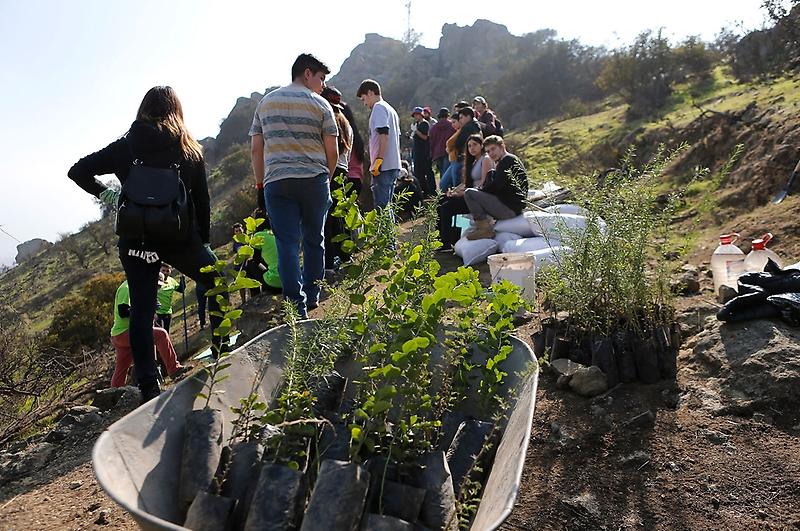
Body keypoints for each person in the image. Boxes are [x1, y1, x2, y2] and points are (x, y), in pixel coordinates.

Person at [68, 85, 222, 403]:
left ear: (143, 111)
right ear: (177, 111)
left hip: (136, 239)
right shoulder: (189, 149)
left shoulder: (128, 146)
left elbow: (78, 171)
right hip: (179, 239)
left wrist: (108, 194)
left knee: (141, 310)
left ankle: (149, 387)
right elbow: (202, 202)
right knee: (216, 281)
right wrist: (203, 245)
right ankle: (222, 353)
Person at [250, 53, 338, 318]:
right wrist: (327, 176)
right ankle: (312, 296)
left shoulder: (265, 103)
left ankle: (295, 307)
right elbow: (332, 151)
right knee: (315, 238)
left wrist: (260, 184)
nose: (322, 85)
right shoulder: (321, 104)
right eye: (321, 78)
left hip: (277, 181)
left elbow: (256, 148)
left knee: (286, 243)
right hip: (314, 179)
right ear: (308, 73)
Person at [109, 280, 186, 388]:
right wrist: (147, 309)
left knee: (121, 368)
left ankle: (113, 394)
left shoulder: (137, 286)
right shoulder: (127, 288)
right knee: (161, 335)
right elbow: (123, 311)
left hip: (122, 334)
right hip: (125, 332)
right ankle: (174, 369)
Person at [464, 135, 529, 240]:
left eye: (493, 149)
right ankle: (484, 225)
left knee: (469, 193)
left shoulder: (508, 160)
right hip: (508, 205)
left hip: (510, 208)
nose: (491, 153)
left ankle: (484, 229)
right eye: (488, 151)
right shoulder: (503, 162)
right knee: (490, 174)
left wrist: (479, 190)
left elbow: (495, 187)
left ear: (502, 146)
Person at [436, 134, 493, 251]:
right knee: (440, 201)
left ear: (482, 145)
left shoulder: (485, 159)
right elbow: (467, 183)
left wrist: (463, 193)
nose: (472, 148)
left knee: (447, 208)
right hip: (469, 195)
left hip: (478, 199)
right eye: (469, 146)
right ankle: (442, 238)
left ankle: (447, 242)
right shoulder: (473, 162)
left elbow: (484, 185)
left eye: (475, 145)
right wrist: (454, 190)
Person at [321, 86, 355, 270]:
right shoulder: (346, 123)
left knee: (327, 217)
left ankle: (328, 261)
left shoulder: (327, 121)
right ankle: (345, 255)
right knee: (339, 215)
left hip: (329, 170)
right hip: (343, 170)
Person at [356, 79, 401, 210]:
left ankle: (385, 231)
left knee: (381, 208)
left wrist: (378, 160)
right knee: (388, 207)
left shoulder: (379, 107)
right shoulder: (390, 109)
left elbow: (383, 134)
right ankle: (390, 231)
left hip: (383, 166)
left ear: (370, 92)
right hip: (393, 164)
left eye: (364, 99)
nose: (364, 103)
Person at [440, 107, 482, 192]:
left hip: (459, 158)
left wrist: (452, 147)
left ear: (468, 116)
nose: (460, 120)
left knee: (453, 184)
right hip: (460, 158)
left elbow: (459, 142)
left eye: (461, 118)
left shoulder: (468, 127)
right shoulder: (474, 126)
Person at [411, 106, 435, 197]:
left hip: (424, 153)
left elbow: (425, 137)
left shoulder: (424, 124)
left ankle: (431, 191)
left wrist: (416, 131)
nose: (416, 117)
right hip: (417, 152)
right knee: (418, 173)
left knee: (427, 172)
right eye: (414, 115)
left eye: (417, 115)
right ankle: (423, 191)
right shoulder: (417, 125)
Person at [155, 263, 185, 332]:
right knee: (160, 333)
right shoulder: (155, 280)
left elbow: (181, 289)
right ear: (159, 270)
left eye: (167, 271)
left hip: (167, 312)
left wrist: (182, 277)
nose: (165, 273)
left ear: (170, 271)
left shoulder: (172, 281)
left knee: (166, 333)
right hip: (157, 312)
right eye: (163, 270)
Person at [429, 107, 456, 181]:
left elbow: (431, 142)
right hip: (448, 152)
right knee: (448, 174)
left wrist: (432, 153)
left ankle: (442, 191)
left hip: (437, 153)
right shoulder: (452, 126)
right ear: (448, 116)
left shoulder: (434, 128)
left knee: (442, 173)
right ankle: (447, 190)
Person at [231, 223, 248, 304]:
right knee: (241, 285)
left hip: (248, 263)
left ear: (243, 230)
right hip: (239, 265)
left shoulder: (247, 238)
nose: (238, 232)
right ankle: (244, 301)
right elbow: (237, 250)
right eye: (236, 231)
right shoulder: (235, 242)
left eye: (240, 230)